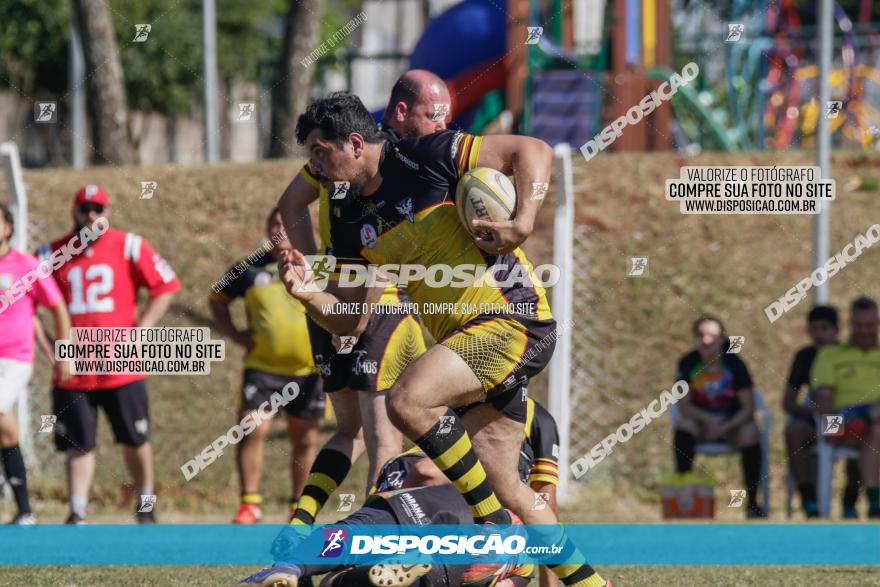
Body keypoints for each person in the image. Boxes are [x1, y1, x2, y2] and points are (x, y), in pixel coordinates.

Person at [277, 92, 605, 587]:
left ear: (355, 142)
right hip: (470, 346)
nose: (316, 168)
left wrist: (524, 220)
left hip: (510, 319)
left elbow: (531, 150)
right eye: (311, 158)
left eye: (321, 153)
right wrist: (308, 295)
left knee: (408, 400)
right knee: (509, 486)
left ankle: (492, 530)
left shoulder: (424, 154)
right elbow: (349, 322)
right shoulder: (347, 221)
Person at [278, 70, 448, 527]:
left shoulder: (358, 155)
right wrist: (314, 271)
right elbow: (290, 207)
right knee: (384, 440)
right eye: (434, 115)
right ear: (401, 112)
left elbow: (288, 207)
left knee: (351, 430)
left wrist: (315, 276)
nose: (441, 125)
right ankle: (375, 542)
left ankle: (301, 525)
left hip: (337, 298)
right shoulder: (359, 155)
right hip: (373, 300)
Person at [239, 399, 584, 587]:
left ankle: (290, 566)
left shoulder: (447, 388)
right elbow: (545, 504)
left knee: (351, 541)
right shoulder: (533, 416)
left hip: (426, 500)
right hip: (496, 538)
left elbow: (425, 471)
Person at [37, 185, 180, 523]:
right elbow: (27, 307)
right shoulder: (50, 253)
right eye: (85, 208)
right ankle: (77, 510)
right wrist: (52, 351)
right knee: (78, 442)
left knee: (135, 438)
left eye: (97, 208)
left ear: (107, 211)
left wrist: (140, 331)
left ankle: (145, 502)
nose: (91, 215)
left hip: (122, 366)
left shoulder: (129, 245)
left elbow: (166, 287)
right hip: (74, 369)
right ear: (74, 211)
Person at [209, 207, 326, 523]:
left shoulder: (318, 265)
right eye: (273, 223)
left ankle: (298, 507)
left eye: (285, 223)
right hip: (263, 368)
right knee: (252, 430)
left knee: (305, 439)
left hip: (309, 371)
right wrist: (233, 333)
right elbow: (217, 298)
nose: (279, 229)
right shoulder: (249, 269)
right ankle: (250, 503)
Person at [0, 204, 71, 524]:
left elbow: (56, 308)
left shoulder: (27, 266)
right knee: (7, 434)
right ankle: (25, 510)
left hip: (14, 360)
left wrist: (63, 351)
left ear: (8, 228)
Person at [673, 314, 765, 518]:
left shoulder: (735, 364)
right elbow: (684, 406)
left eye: (712, 336)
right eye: (700, 335)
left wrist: (725, 426)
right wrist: (708, 421)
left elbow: (748, 408)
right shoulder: (687, 363)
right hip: (701, 421)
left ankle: (752, 503)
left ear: (722, 338)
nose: (706, 340)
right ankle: (684, 498)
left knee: (750, 433)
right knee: (684, 426)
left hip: (731, 423)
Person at [782, 305, 860, 517]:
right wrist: (816, 413)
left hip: (845, 416)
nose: (819, 334)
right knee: (794, 431)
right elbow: (788, 401)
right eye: (814, 329)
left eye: (824, 328)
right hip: (817, 418)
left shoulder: (847, 355)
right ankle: (809, 499)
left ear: (836, 331)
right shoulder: (805, 356)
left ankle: (850, 499)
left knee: (862, 433)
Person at [812, 296, 880, 518]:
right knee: (874, 430)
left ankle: (868, 502)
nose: (864, 331)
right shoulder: (830, 354)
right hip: (846, 418)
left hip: (873, 420)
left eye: (869, 325)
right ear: (850, 324)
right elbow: (823, 398)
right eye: (859, 325)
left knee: (875, 427)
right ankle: (872, 503)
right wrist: (833, 428)